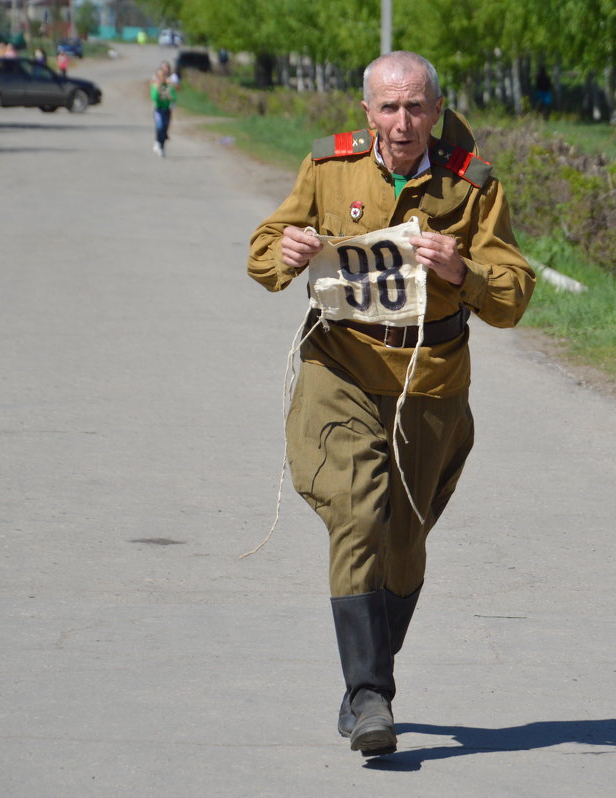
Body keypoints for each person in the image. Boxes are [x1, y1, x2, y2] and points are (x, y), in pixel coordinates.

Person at [247, 50, 535, 757]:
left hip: (429, 379)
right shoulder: (328, 168)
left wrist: (461, 271)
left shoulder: (471, 187)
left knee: (404, 546)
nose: (402, 122)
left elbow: (512, 293)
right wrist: (284, 253)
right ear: (366, 112)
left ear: (437, 111)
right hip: (338, 367)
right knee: (359, 511)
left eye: (415, 108)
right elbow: (264, 249)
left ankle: (364, 679)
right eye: (389, 107)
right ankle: (372, 694)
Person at [150, 66, 176, 157]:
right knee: (160, 126)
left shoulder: (169, 87)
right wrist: (158, 89)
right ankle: (158, 142)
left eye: (164, 76)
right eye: (160, 76)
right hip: (158, 110)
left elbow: (174, 98)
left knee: (165, 128)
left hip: (167, 110)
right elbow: (154, 98)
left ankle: (162, 147)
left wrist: (169, 95)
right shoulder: (155, 86)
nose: (162, 78)